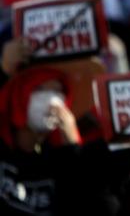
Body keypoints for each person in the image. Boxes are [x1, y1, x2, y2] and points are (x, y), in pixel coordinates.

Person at [0, 67, 83, 215]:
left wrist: (72, 145)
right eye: (39, 89)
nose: (51, 100)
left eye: (58, 92)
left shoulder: (63, 159)